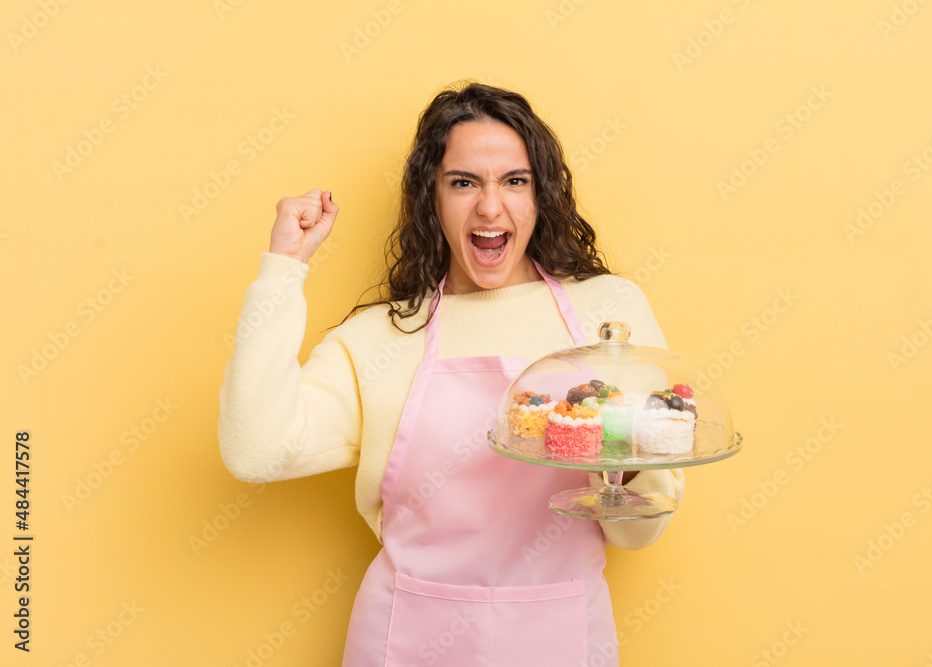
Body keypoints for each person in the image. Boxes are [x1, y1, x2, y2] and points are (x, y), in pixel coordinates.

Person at [218, 82, 685, 666]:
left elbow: (640, 531)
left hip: (559, 634)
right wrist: (282, 272)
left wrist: (625, 458)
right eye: (463, 183)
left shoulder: (607, 315)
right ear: (431, 200)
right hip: (407, 636)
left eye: (515, 181)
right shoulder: (382, 338)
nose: (490, 207)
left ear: (541, 196)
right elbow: (254, 452)